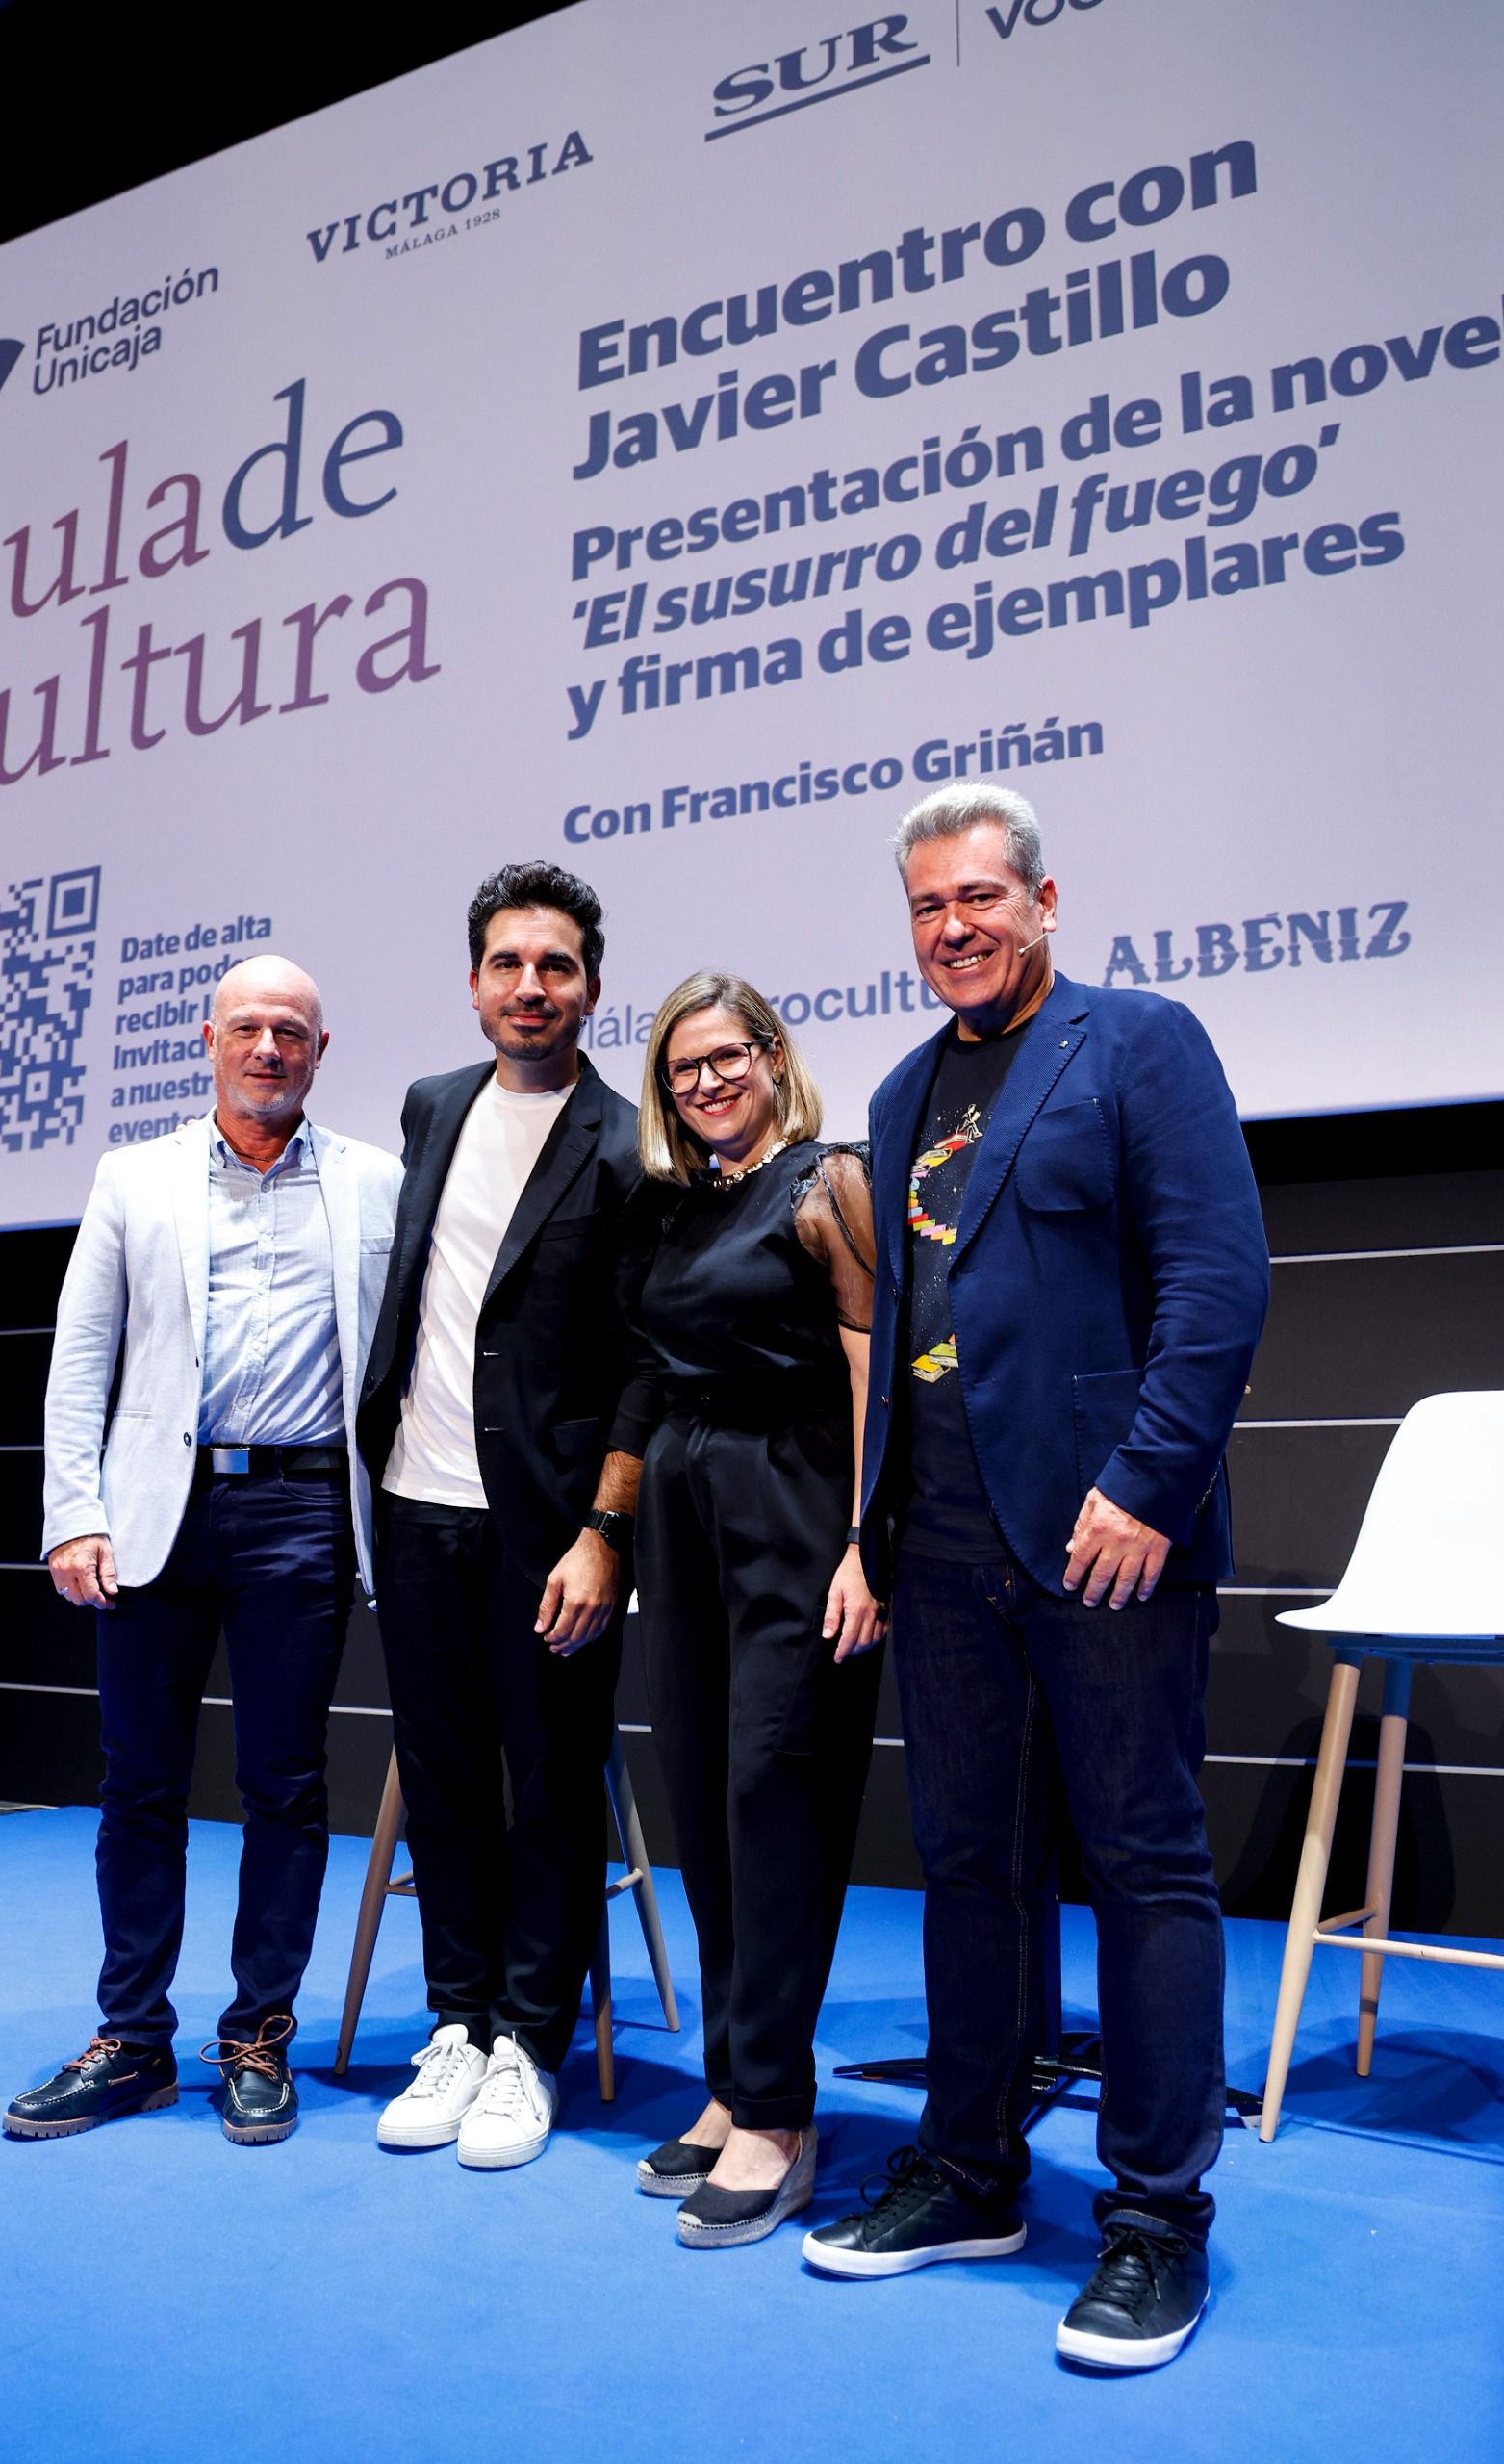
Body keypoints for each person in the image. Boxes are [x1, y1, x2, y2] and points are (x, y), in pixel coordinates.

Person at [802, 783, 1269, 2370]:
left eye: (981, 898)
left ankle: (1154, 2225)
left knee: (1144, 1870)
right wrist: (872, 1524)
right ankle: (976, 2172)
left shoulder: (1140, 1043)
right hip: (940, 1547)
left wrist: (1148, 1480)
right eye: (929, 907)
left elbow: (1218, 1280)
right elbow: (900, 1333)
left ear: (1047, 900)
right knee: (972, 1869)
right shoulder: (894, 1091)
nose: (954, 928)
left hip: (1103, 1540)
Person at [5, 955, 400, 2145]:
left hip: (303, 1511)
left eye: (291, 1030)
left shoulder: (377, 1183)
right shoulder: (135, 1175)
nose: (268, 1047)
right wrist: (72, 1511)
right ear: (208, 1039)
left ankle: (255, 2038)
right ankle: (130, 2039)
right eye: (247, 1028)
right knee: (140, 1786)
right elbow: (83, 1356)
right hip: (152, 1515)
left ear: (321, 1051)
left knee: (284, 1786)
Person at [356, 861, 650, 2169]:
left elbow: (649, 1359)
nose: (530, 988)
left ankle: (529, 2040)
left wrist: (604, 1530)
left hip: (550, 1531)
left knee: (546, 1791)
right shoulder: (429, 1109)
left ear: (590, 986)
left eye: (556, 966)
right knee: (444, 1782)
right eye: (506, 965)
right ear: (473, 981)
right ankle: (458, 2023)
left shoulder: (630, 1142)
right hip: (416, 1508)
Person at [620, 972, 885, 2249]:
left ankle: (781, 2116)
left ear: (774, 1057)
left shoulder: (832, 1181)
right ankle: (735, 2083)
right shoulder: (684, 1209)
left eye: (727, 1057)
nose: (707, 1082)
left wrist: (863, 1544)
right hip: (683, 1522)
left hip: (793, 1514)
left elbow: (871, 1372)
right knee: (708, 1804)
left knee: (777, 1800)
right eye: (683, 1069)